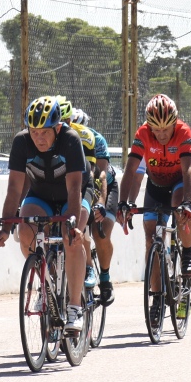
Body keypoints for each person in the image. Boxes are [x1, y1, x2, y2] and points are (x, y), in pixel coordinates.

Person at [0, 96, 89, 333]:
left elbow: (75, 187)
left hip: (72, 196)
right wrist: (5, 227)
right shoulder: (21, 142)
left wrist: (72, 224)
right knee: (26, 230)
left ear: (57, 127)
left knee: (71, 238)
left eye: (45, 132)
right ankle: (46, 282)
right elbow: (14, 188)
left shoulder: (70, 140)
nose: (39, 138)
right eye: (34, 132)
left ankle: (75, 307)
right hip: (41, 195)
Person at [117, 94, 191, 309]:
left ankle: (188, 250)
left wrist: (188, 203)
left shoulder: (183, 131)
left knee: (180, 207)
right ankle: (156, 297)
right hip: (156, 185)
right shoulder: (143, 133)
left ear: (174, 123)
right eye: (157, 130)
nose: (162, 135)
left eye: (166, 129)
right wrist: (123, 203)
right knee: (150, 236)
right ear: (149, 126)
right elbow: (131, 169)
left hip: (179, 182)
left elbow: (188, 168)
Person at [72, 107, 118, 306]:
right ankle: (86, 265)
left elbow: (100, 175)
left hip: (104, 184)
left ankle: (105, 279)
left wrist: (100, 203)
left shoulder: (97, 140)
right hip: (81, 184)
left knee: (101, 233)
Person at [55, 97, 101, 295]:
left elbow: (90, 173)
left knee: (78, 229)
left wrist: (97, 200)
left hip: (82, 184)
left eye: (65, 122)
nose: (61, 127)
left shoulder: (83, 135)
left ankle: (89, 265)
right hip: (57, 187)